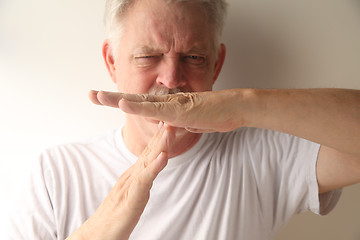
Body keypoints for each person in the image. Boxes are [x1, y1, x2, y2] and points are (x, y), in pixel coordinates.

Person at [6, 0, 360, 239]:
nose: (172, 79)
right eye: (148, 56)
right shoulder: (55, 173)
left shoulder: (264, 151)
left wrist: (244, 104)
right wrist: (112, 217)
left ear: (217, 64)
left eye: (193, 57)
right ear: (112, 61)